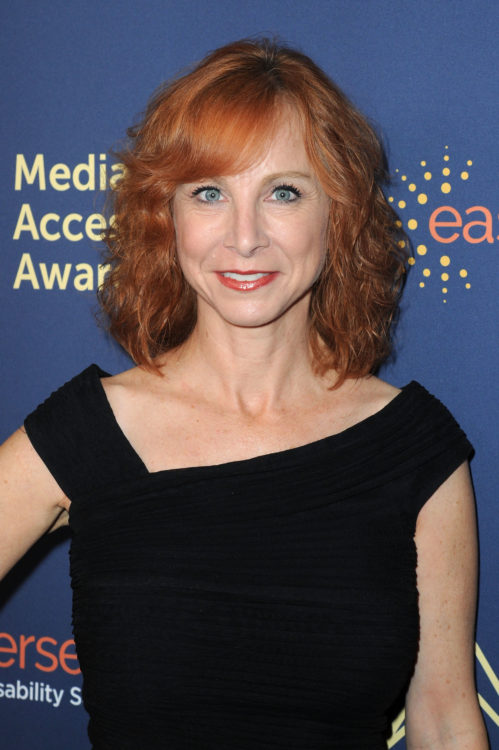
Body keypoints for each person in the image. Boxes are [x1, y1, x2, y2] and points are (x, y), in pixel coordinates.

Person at [0, 38, 488, 750]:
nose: (244, 236)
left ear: (338, 215)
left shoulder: (412, 447)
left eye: (283, 192)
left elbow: (445, 722)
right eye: (209, 193)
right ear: (167, 218)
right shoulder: (92, 432)